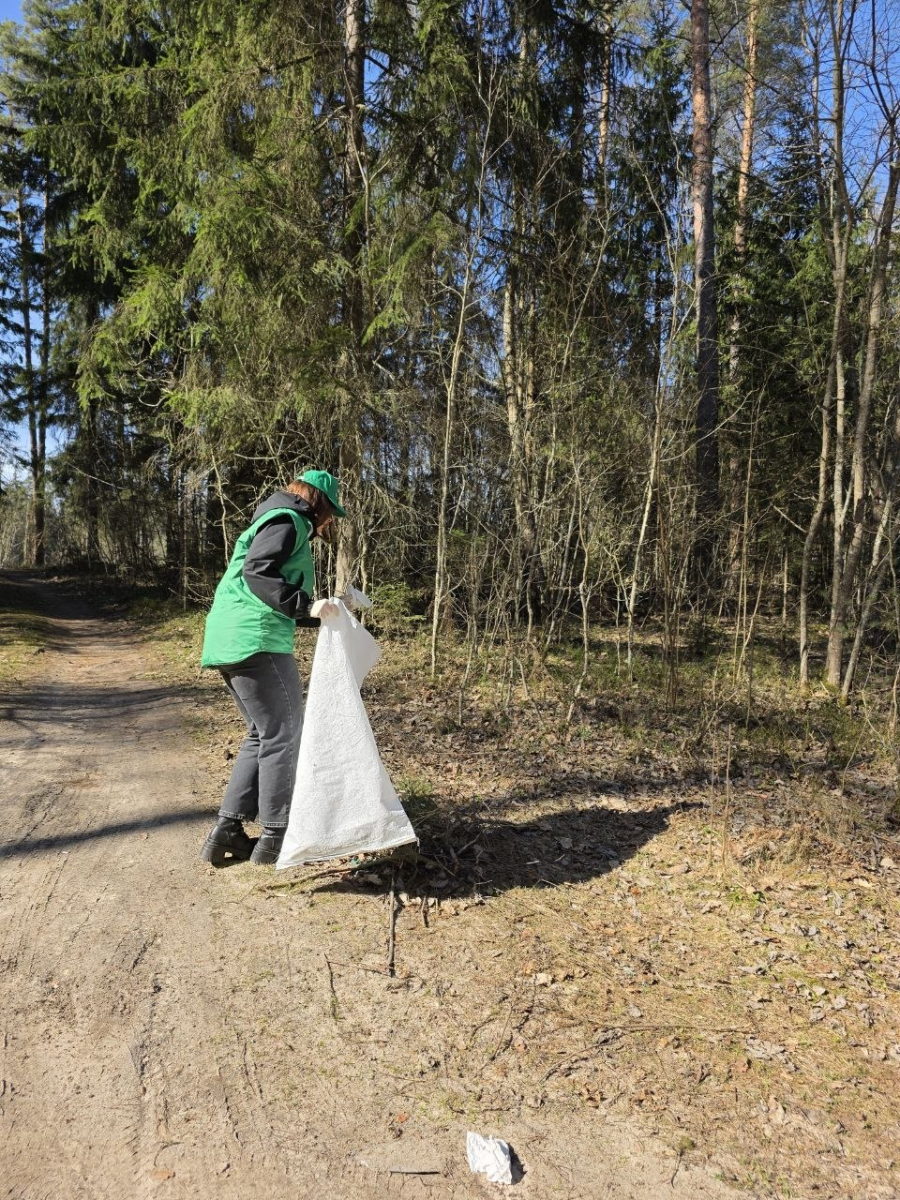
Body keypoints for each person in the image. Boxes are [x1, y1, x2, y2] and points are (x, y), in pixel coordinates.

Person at [198, 468, 345, 866]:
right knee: (283, 733)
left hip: (230, 637)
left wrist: (323, 610)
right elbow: (259, 572)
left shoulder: (271, 518)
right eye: (331, 512)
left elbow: (263, 580)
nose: (330, 521)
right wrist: (304, 604)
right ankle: (277, 835)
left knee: (262, 734)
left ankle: (227, 830)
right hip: (256, 640)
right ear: (319, 503)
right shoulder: (291, 520)